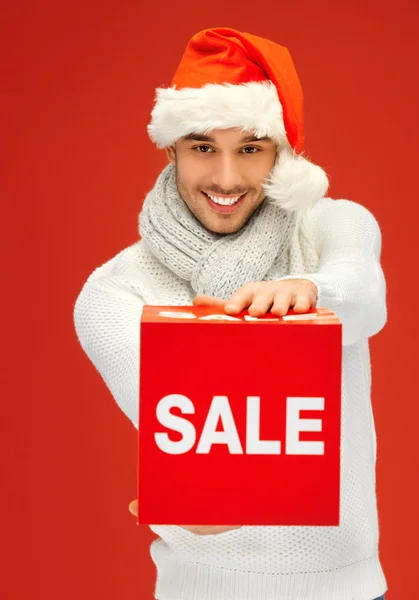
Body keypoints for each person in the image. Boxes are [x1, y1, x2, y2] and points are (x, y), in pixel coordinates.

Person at [73, 26, 388, 600]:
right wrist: (193, 495)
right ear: (171, 149)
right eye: (201, 147)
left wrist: (307, 295)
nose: (225, 178)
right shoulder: (115, 293)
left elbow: (364, 296)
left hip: (349, 589)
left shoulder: (329, 228)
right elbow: (204, 442)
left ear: (281, 152)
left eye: (249, 148)